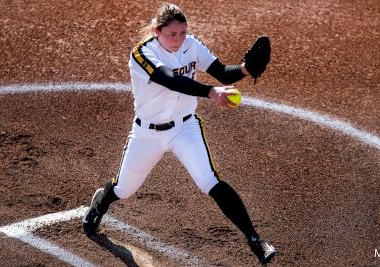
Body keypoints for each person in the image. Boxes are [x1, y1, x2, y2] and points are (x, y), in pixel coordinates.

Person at [82, 2, 275, 264]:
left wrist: (244, 69)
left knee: (211, 181)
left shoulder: (191, 45)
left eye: (182, 33)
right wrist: (210, 92)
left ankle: (255, 240)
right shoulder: (142, 54)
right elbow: (168, 78)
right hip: (146, 134)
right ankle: (99, 205)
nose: (178, 39)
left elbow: (221, 73)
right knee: (124, 189)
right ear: (157, 31)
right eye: (172, 34)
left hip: (185, 128)